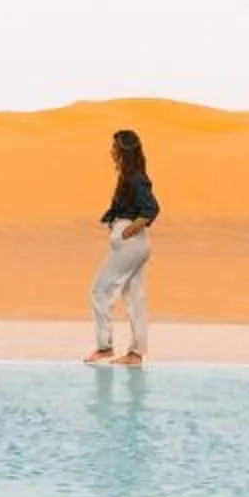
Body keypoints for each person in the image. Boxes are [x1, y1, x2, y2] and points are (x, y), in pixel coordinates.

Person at [85, 127, 160, 366]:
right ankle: (136, 354)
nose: (111, 150)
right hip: (135, 246)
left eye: (114, 146)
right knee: (134, 297)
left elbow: (151, 208)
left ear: (122, 151)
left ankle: (104, 347)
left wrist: (130, 229)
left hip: (130, 245)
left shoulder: (135, 178)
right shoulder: (131, 176)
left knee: (99, 290)